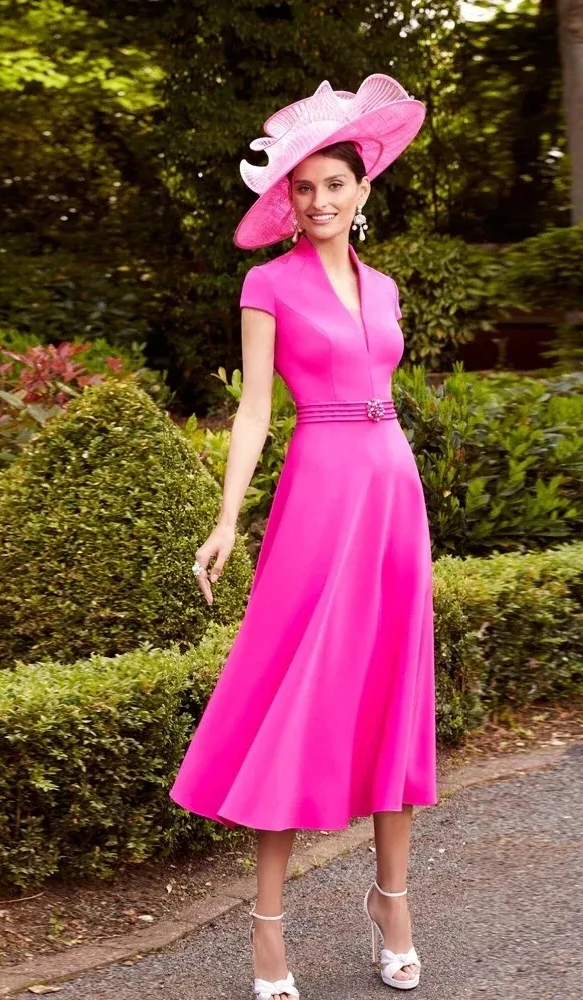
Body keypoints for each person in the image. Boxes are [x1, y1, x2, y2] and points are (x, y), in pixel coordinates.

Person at [169, 74, 435, 999]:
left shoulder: (387, 285)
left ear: (363, 192)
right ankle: (267, 927)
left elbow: (384, 388)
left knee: (390, 693)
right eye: (304, 187)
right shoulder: (265, 284)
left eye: (335, 184)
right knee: (297, 694)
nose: (319, 200)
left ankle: (391, 901)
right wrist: (226, 517)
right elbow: (251, 414)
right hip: (318, 489)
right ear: (287, 197)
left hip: (393, 488)